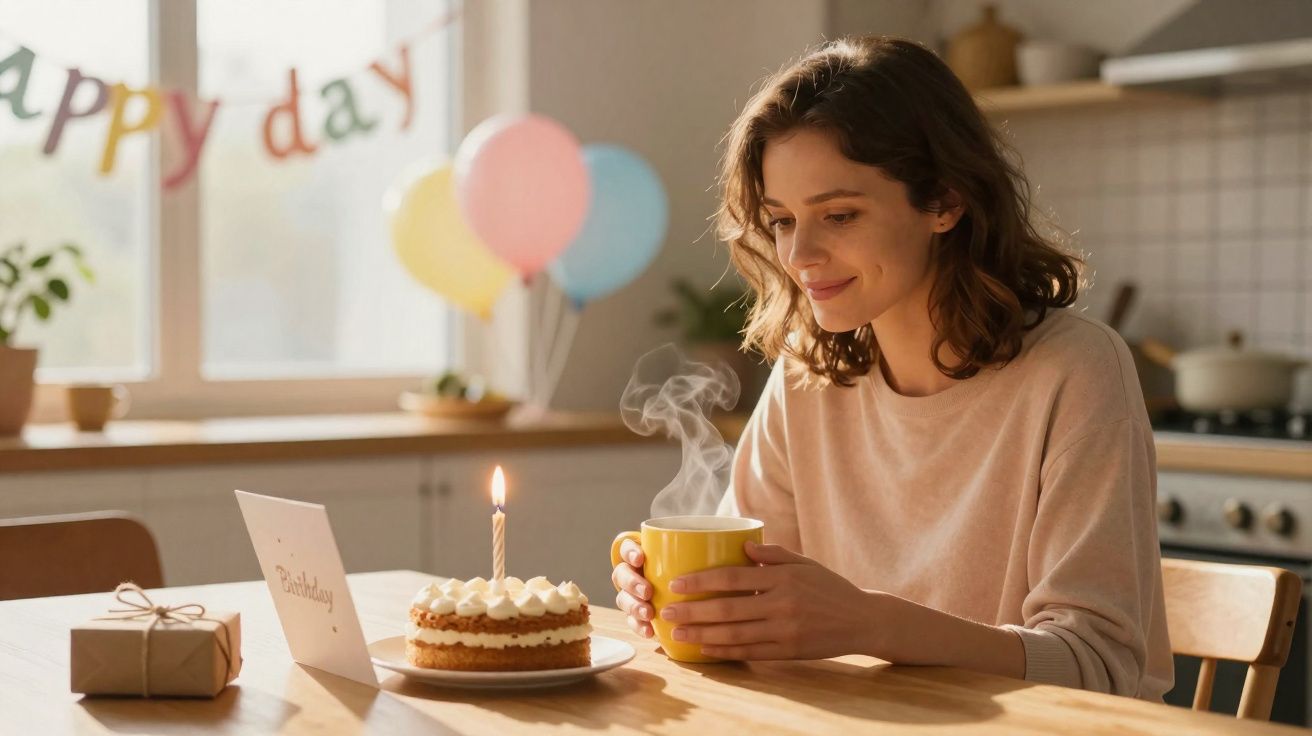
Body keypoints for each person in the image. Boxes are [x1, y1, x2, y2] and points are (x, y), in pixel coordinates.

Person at [611, 35, 1173, 700]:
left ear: (945, 200)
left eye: (838, 214)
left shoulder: (1074, 372)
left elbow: (1098, 665)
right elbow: (756, 599)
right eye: (782, 220)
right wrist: (691, 603)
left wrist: (870, 623)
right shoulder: (806, 378)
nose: (800, 255)